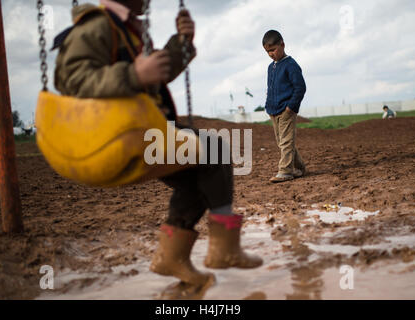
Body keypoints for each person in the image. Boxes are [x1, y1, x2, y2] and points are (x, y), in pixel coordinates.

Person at [52, 0, 262, 288]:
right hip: (114, 139)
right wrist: (133, 74)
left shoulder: (128, 28)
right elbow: (70, 80)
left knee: (197, 177)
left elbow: (155, 77)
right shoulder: (98, 25)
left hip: (140, 133)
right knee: (215, 149)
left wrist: (181, 43)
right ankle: (224, 249)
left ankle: (171, 258)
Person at [263, 30, 307, 183]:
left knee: (286, 141)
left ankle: (285, 171)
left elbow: (300, 87)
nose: (270, 54)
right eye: (267, 51)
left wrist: (291, 107)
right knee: (282, 142)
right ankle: (299, 168)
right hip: (273, 111)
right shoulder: (271, 67)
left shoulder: (291, 65)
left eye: (273, 49)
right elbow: (270, 88)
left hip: (286, 110)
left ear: (282, 44)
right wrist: (268, 106)